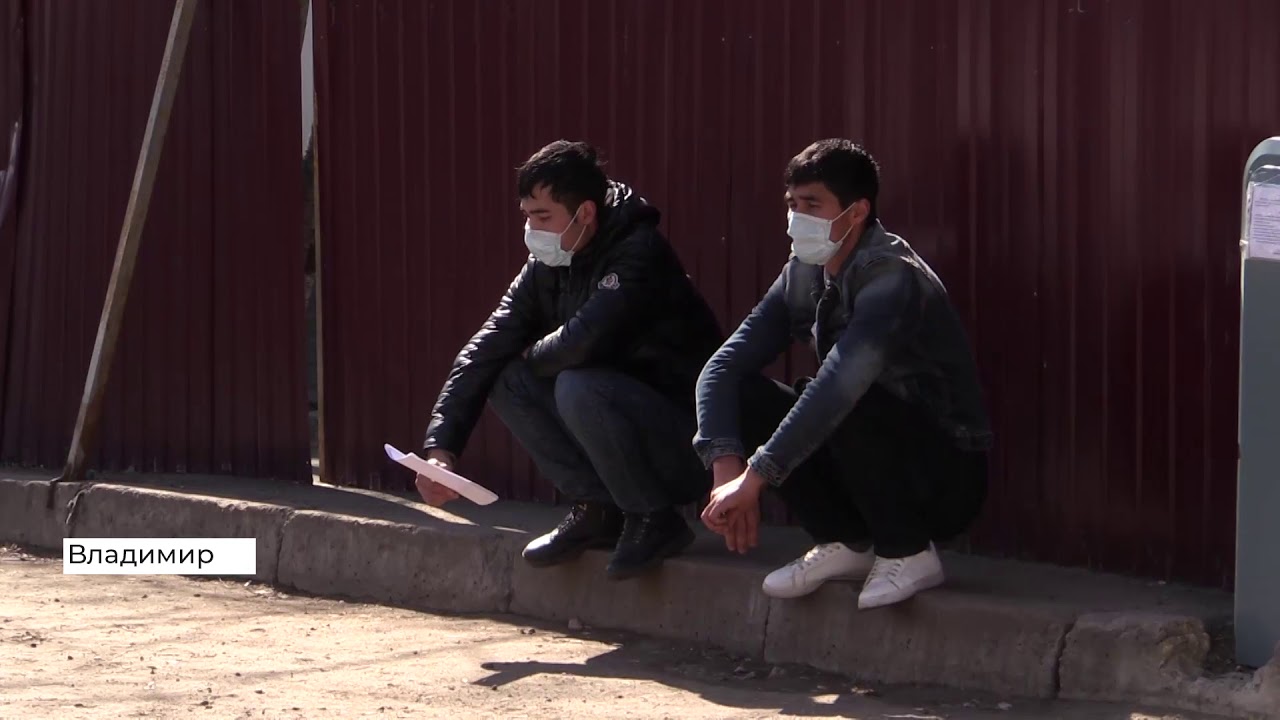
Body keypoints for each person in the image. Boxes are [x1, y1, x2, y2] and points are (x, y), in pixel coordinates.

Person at [693, 139, 992, 609]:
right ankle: (848, 542)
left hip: (942, 476)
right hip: (866, 457)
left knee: (845, 396)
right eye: (793, 204)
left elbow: (839, 385)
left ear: (857, 211)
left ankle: (908, 550)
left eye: (813, 205)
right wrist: (724, 468)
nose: (797, 218)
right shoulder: (803, 272)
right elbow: (723, 367)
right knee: (749, 394)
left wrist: (754, 478)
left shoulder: (891, 276)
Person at [417, 140, 723, 580]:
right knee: (504, 376)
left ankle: (654, 517)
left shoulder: (638, 252)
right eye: (527, 216)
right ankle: (598, 509)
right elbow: (485, 348)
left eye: (543, 217)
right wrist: (440, 451)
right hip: (617, 430)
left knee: (577, 384)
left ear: (585, 213)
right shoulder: (549, 262)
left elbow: (582, 343)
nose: (532, 229)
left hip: (687, 445)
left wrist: (532, 354)